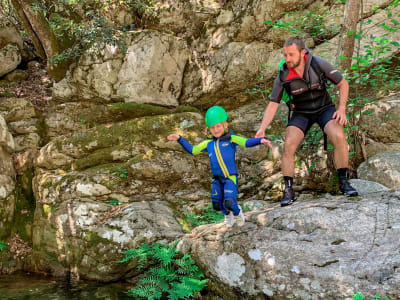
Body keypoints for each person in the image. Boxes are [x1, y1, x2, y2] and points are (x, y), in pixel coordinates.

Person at [255, 36, 358, 207]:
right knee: (288, 144)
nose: (287, 59)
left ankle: (343, 181)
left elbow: (343, 84)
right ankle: (288, 190)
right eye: (285, 55)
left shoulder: (318, 64)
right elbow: (273, 104)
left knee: (339, 136)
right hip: (301, 112)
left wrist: (341, 109)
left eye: (291, 55)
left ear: (302, 53)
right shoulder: (283, 75)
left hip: (324, 108)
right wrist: (262, 128)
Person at [168, 106, 272, 227]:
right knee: (217, 205)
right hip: (217, 179)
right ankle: (228, 214)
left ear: (225, 125)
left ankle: (238, 212)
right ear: (208, 129)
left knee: (229, 202)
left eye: (218, 126)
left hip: (230, 178)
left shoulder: (231, 139)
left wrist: (260, 140)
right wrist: (179, 139)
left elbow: (246, 142)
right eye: (212, 127)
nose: (216, 129)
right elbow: (193, 150)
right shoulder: (208, 143)